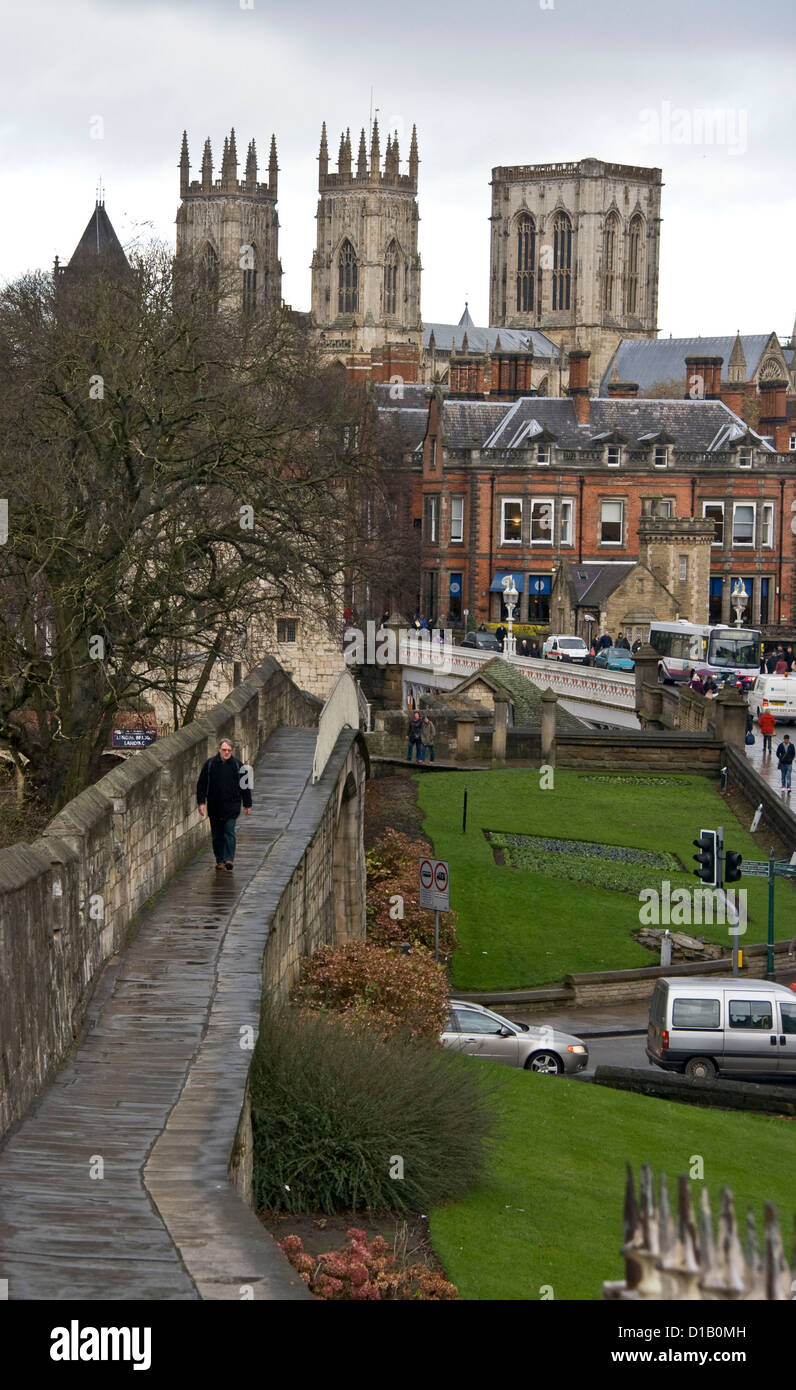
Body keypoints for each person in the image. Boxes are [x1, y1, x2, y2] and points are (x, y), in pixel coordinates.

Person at [196, 738, 253, 872]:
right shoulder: (210, 765)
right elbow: (201, 784)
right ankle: (220, 859)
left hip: (232, 806)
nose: (226, 752)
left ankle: (229, 859)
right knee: (217, 835)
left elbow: (245, 787)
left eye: (229, 750)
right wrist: (201, 802)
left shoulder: (238, 765)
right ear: (219, 750)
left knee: (229, 831)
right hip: (215, 806)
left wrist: (247, 804)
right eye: (224, 750)